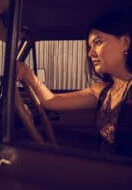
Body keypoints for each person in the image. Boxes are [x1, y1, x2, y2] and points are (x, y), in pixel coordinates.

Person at [17, 10, 132, 156]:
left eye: (98, 42)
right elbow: (52, 101)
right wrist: (27, 74)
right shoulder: (102, 91)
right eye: (90, 46)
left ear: (125, 43)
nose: (90, 54)